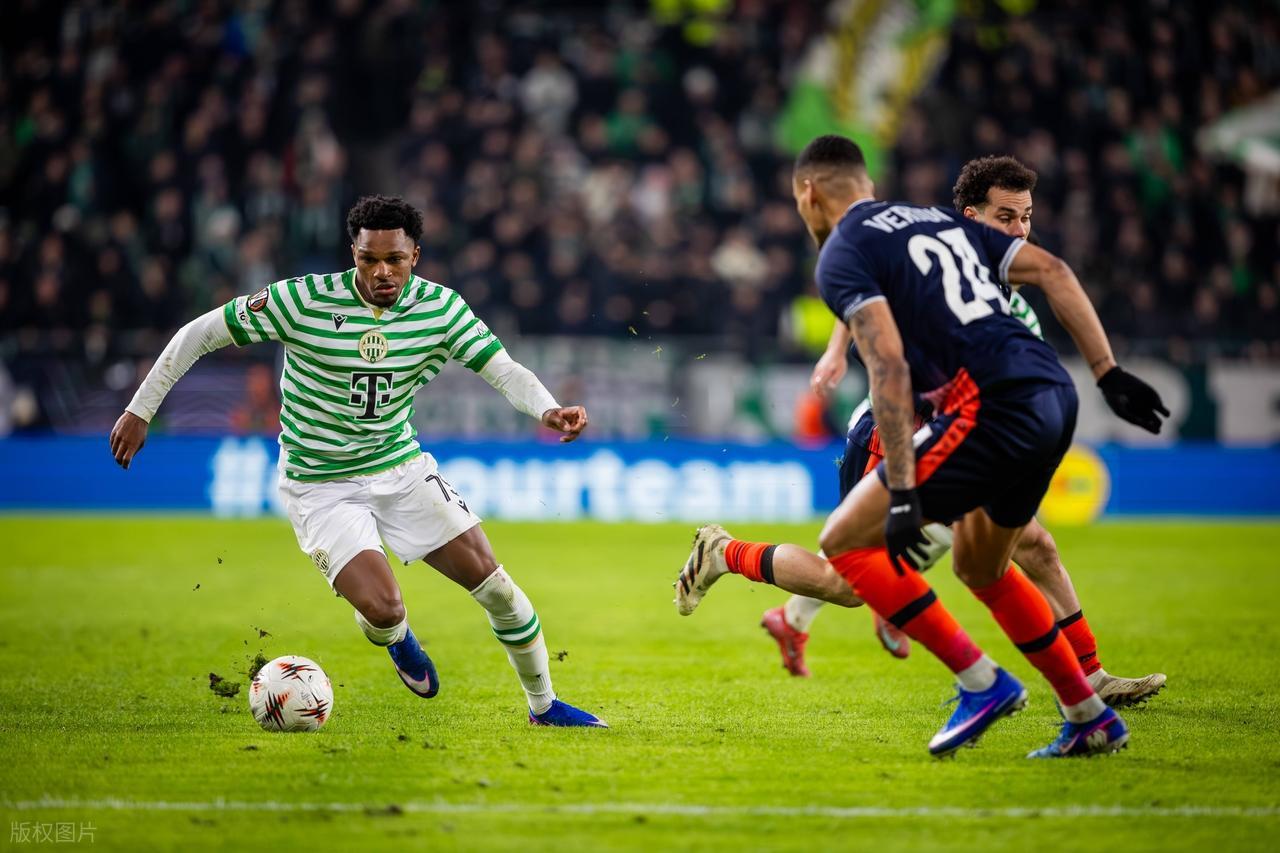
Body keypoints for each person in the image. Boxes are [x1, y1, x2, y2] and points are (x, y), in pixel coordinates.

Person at [674, 136, 1169, 758]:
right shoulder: (937, 222)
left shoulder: (844, 250)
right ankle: (1087, 709)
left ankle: (982, 683)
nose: (1018, 226)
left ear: (808, 193)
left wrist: (905, 490)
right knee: (988, 561)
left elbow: (888, 363)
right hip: (1053, 398)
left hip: (974, 412)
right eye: (1009, 216)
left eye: (1024, 217)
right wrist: (1107, 373)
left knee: (846, 548)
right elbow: (1055, 271)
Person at [110, 195, 606, 728]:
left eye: (394, 259)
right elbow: (198, 333)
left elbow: (502, 369)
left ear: (415, 255)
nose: (382, 272)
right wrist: (141, 409)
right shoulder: (302, 300)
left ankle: (544, 707)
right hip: (319, 484)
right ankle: (397, 639)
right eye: (369, 259)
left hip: (400, 466)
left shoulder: (441, 309)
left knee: (497, 586)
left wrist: (548, 409)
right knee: (385, 610)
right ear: (354, 254)